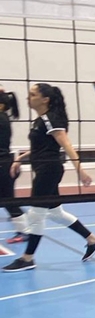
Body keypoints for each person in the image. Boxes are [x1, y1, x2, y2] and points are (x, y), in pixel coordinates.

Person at [3, 83, 95, 273]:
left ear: (45, 99)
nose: (28, 98)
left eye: (33, 94)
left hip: (48, 171)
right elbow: (43, 146)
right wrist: (21, 158)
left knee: (36, 213)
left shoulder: (51, 119)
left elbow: (65, 144)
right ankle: (93, 240)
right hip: (44, 168)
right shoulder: (40, 120)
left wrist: (80, 170)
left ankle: (27, 258)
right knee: (55, 213)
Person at [0, 89, 29, 243]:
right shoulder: (4, 117)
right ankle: (24, 231)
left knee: (8, 201)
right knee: (8, 200)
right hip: (5, 164)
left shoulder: (1, 118)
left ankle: (25, 231)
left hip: (3, 165)